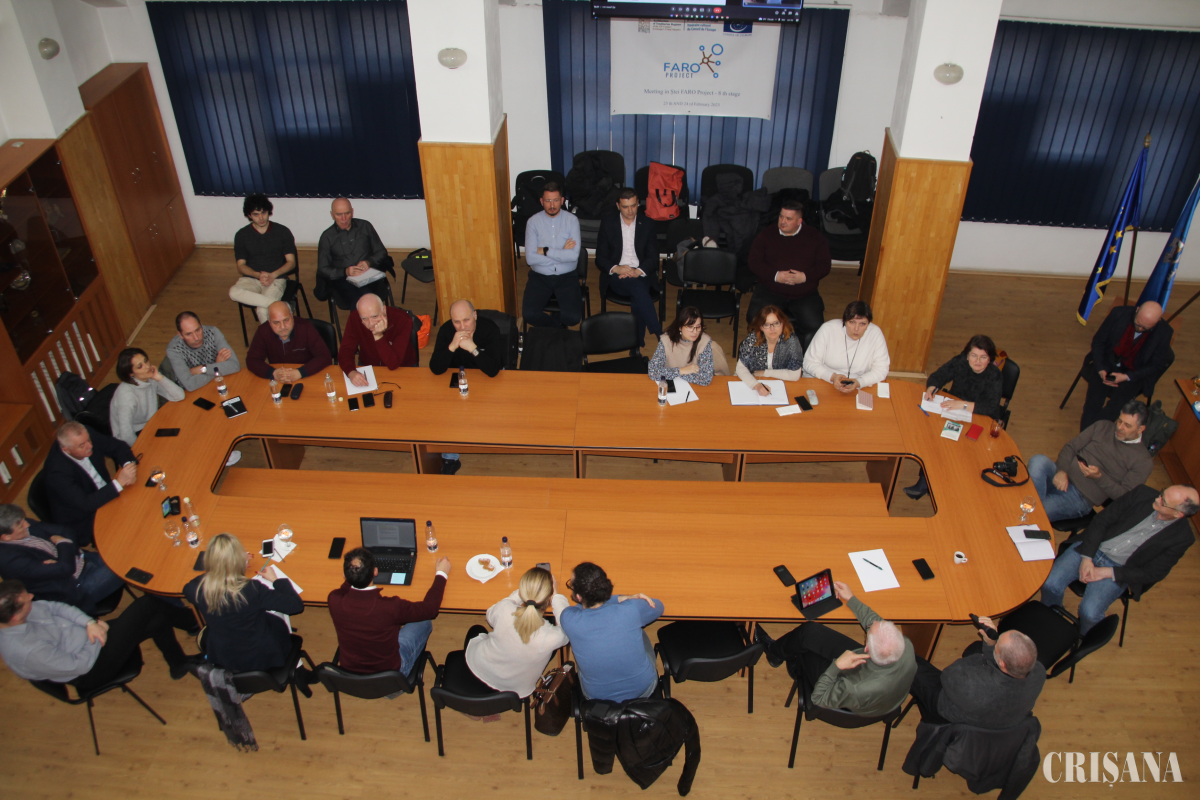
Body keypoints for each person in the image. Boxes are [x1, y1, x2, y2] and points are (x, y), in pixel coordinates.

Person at [1040, 484, 1198, 634]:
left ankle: (1081, 638)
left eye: (1164, 501)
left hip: (1119, 569)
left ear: (1178, 514)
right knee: (1050, 583)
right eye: (1162, 492)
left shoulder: (1182, 538)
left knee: (1089, 613)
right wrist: (1087, 558)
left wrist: (1107, 572)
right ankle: (1051, 615)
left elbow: (1153, 572)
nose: (1157, 498)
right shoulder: (1142, 494)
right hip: (1094, 547)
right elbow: (1102, 520)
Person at [754, 582, 916, 716]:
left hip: (853, 695)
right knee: (809, 632)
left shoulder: (855, 688)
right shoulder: (904, 645)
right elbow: (878, 625)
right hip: (873, 675)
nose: (873, 623)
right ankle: (780, 654)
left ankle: (778, 655)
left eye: (869, 630)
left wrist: (836, 666)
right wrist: (851, 599)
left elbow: (819, 698)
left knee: (804, 649)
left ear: (866, 648)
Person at [0, 579, 197, 688]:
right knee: (146, 604)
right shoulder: (29, 651)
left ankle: (178, 664)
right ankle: (197, 623)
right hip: (92, 667)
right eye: (27, 599)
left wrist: (89, 623)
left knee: (157, 620)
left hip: (89, 635)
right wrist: (97, 634)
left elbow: (56, 607)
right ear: (16, 617)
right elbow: (79, 665)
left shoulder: (17, 614)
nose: (32, 597)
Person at [183, 533, 306, 676]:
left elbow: (200, 585)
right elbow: (295, 605)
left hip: (224, 654)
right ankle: (300, 672)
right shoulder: (251, 589)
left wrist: (226, 568)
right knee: (279, 616)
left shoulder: (194, 589)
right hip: (261, 655)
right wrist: (276, 580)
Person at [904, 335, 1005, 499]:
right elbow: (939, 375)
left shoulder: (994, 375)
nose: (977, 361)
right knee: (935, 437)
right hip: (953, 412)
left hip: (980, 418)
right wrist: (931, 388)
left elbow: (991, 407)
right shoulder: (960, 362)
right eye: (973, 355)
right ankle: (925, 480)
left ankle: (948, 484)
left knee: (958, 446)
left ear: (990, 359)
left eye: (983, 357)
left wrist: (962, 404)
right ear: (967, 355)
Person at [327, 547, 450, 676]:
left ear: (344, 575)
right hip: (391, 673)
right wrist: (442, 574)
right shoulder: (390, 607)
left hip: (350, 673)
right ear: (375, 571)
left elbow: (344, 590)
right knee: (424, 621)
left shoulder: (334, 599)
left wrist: (353, 575)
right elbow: (430, 609)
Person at [1027, 401, 1153, 522]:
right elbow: (1071, 447)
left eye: (1127, 425)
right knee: (1038, 461)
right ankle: (1031, 507)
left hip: (1080, 498)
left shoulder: (1143, 461)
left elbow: (1124, 496)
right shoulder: (1103, 426)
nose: (1119, 427)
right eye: (1119, 421)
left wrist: (1099, 477)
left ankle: (1031, 507)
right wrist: (1062, 470)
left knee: (1034, 510)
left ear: (1140, 429)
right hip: (1061, 476)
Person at [559, 562, 663, 702]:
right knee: (641, 632)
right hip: (644, 689)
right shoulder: (631, 609)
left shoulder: (569, 619)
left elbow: (576, 608)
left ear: (578, 597)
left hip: (597, 696)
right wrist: (624, 598)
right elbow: (659, 606)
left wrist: (612, 599)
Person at [909, 620, 1043, 729]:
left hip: (947, 710)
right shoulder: (1039, 672)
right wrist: (991, 645)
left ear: (1002, 664)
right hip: (1000, 716)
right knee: (976, 647)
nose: (995, 643)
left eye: (997, 645)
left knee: (909, 662)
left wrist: (983, 656)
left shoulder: (971, 685)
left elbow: (948, 674)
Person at [464, 566, 570, 697]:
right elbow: (567, 629)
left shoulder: (504, 609)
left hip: (478, 666)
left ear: (522, 592)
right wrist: (557, 597)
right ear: (549, 599)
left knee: (476, 629)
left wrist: (523, 592)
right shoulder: (551, 637)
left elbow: (490, 616)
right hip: (515, 689)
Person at [0, 505, 123, 617]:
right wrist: (62, 543)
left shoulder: (18, 524)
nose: (27, 524)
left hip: (83, 559)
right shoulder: (11, 562)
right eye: (21, 526)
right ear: (6, 537)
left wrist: (65, 556)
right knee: (123, 565)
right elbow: (66, 568)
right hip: (76, 587)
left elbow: (65, 531)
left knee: (121, 550)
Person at [427, 300, 505, 475]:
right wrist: (452, 347)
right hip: (459, 380)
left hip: (486, 380)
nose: (462, 327)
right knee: (445, 411)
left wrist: (472, 348)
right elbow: (435, 368)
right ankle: (450, 458)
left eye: (466, 320)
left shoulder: (489, 329)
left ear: (475, 315)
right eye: (457, 322)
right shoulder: (447, 331)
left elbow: (493, 370)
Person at [745, 200, 832, 349]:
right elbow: (754, 262)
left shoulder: (815, 237)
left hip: (804, 293)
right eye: (781, 216)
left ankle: (801, 357)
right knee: (755, 320)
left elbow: (824, 266)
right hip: (770, 290)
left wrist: (805, 277)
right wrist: (775, 276)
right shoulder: (766, 234)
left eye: (788, 218)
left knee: (815, 326)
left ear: (799, 221)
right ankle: (765, 354)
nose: (783, 221)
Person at [1079, 301, 1174, 431]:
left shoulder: (1165, 332)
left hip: (1134, 373)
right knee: (1092, 403)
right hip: (1107, 362)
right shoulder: (1118, 314)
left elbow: (1156, 365)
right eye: (1138, 324)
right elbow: (1098, 342)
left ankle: (1089, 436)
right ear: (1137, 310)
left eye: (1146, 328)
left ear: (1158, 321)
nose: (1140, 329)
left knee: (1115, 408)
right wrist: (1100, 368)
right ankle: (1087, 437)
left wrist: (1127, 377)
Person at [41, 422, 136, 547]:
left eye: (89, 440)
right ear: (67, 450)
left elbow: (118, 446)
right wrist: (119, 483)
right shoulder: (56, 473)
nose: (90, 446)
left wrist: (128, 467)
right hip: (85, 517)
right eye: (82, 446)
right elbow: (86, 504)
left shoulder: (84, 436)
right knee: (128, 536)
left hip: (106, 492)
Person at [596, 188, 663, 347]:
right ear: (618, 206)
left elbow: (653, 256)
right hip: (617, 275)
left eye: (633, 206)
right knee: (638, 289)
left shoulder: (647, 224)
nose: (630, 210)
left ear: (638, 203)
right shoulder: (608, 223)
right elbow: (600, 258)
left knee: (637, 294)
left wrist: (638, 271)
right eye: (625, 207)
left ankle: (636, 345)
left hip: (641, 272)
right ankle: (660, 334)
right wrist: (617, 268)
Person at [522, 182, 583, 329]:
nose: (552, 205)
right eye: (548, 201)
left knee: (573, 318)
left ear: (562, 200)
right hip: (540, 276)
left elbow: (573, 256)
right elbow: (530, 258)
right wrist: (562, 252)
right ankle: (557, 329)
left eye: (555, 200)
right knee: (529, 314)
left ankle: (552, 331)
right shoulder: (533, 222)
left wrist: (545, 251)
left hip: (567, 276)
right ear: (541, 201)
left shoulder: (572, 220)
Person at [229, 194, 296, 323]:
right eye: (256, 214)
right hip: (251, 278)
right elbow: (240, 266)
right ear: (249, 215)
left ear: (268, 211)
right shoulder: (242, 235)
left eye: (263, 213)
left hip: (276, 278)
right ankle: (284, 306)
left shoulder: (282, 231)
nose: (261, 218)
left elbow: (291, 262)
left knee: (262, 310)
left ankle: (271, 335)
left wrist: (273, 275)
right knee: (233, 292)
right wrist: (257, 275)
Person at [317, 197, 389, 310]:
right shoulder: (327, 237)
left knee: (365, 292)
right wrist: (345, 271)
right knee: (362, 295)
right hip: (344, 279)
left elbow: (381, 252)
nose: (344, 218)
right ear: (332, 215)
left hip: (369, 275)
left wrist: (368, 262)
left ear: (352, 211)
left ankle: (363, 317)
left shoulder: (365, 226)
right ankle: (369, 316)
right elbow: (323, 269)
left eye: (347, 213)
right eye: (339, 214)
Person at [803, 300, 890, 392]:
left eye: (862, 324)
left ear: (869, 324)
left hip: (857, 384)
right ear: (844, 321)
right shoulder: (828, 329)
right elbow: (809, 363)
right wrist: (832, 377)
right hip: (823, 379)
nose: (856, 329)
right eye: (852, 322)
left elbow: (881, 370)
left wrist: (859, 382)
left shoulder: (875, 333)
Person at [108, 347, 185, 446]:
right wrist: (138, 449)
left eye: (146, 361)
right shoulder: (127, 396)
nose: (147, 366)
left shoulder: (150, 377)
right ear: (131, 373)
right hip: (135, 432)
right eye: (140, 366)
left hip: (152, 422)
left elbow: (179, 396)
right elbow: (126, 434)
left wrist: (159, 377)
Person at [339, 293, 417, 386]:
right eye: (364, 318)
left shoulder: (403, 320)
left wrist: (378, 336)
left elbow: (393, 364)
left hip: (402, 367)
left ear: (383, 309)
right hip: (369, 366)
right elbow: (345, 350)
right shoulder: (354, 317)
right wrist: (351, 372)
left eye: (375, 316)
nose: (371, 323)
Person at [245, 300, 332, 384]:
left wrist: (300, 372)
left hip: (309, 375)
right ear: (269, 322)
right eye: (276, 323)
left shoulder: (306, 328)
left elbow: (324, 356)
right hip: (279, 379)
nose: (282, 327)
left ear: (292, 316)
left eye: (286, 320)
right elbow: (252, 360)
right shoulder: (263, 331)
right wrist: (273, 373)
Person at [647, 306, 731, 387]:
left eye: (698, 327)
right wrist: (682, 370)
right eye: (690, 327)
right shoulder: (666, 340)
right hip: (671, 386)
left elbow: (706, 379)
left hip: (695, 387)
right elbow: (652, 371)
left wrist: (672, 373)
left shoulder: (704, 342)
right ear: (680, 327)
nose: (695, 332)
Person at [736, 305, 804, 397]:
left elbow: (795, 375)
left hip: (781, 385)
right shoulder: (752, 339)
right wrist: (756, 385)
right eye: (767, 324)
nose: (772, 329)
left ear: (783, 323)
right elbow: (740, 368)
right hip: (752, 381)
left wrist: (765, 372)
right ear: (761, 327)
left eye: (776, 323)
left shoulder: (792, 341)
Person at [165, 311, 242, 392]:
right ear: (180, 335)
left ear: (201, 325)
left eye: (197, 330)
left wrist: (203, 369)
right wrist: (216, 368)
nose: (196, 338)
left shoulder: (213, 332)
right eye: (189, 334)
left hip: (217, 383)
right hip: (191, 392)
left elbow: (235, 366)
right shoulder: (174, 350)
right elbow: (190, 385)